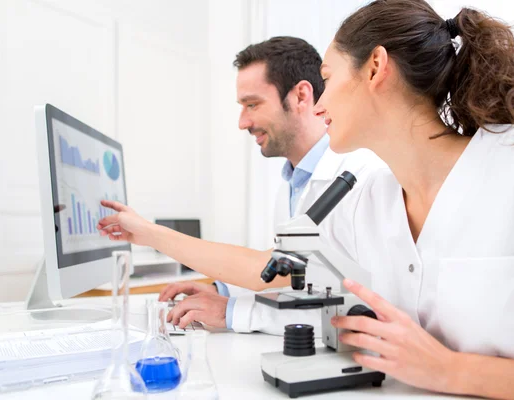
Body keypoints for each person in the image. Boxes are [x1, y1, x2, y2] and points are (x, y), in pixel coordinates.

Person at [306, 0, 514, 399]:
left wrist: (450, 371)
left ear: (376, 67)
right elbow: (284, 271)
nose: (318, 104)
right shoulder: (367, 203)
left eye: (327, 78)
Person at [98, 36, 382, 334]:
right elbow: (293, 276)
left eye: (252, 104)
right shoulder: (292, 182)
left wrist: (232, 311)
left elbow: (336, 294)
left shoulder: (355, 174)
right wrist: (223, 291)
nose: (243, 122)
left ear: (301, 96)